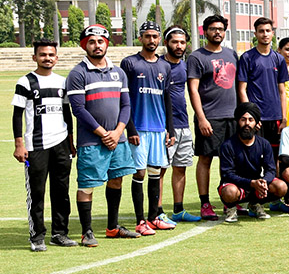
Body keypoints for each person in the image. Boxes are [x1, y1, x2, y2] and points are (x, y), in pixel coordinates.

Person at [66, 24, 138, 245]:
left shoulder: (119, 72)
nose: (97, 46)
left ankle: (112, 227)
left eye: (100, 41)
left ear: (106, 44)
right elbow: (78, 109)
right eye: (92, 42)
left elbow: (126, 105)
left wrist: (118, 132)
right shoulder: (78, 73)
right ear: (84, 45)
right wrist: (103, 133)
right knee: (86, 185)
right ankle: (86, 232)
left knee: (116, 179)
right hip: (91, 141)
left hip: (118, 140)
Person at [13, 39, 76, 251]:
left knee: (61, 191)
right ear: (35, 57)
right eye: (42, 55)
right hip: (36, 146)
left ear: (56, 58)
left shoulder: (62, 82)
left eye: (50, 55)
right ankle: (37, 236)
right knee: (37, 192)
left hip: (61, 144)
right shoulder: (25, 82)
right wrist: (19, 144)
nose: (47, 58)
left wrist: (70, 141)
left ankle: (59, 233)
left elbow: (67, 113)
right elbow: (17, 115)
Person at [120, 21, 177, 235]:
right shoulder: (130, 63)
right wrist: (130, 128)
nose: (151, 40)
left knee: (155, 172)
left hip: (158, 129)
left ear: (159, 39)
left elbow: (167, 98)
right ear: (140, 38)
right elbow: (123, 98)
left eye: (154, 36)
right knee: (140, 173)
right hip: (139, 128)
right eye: (147, 36)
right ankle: (140, 221)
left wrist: (170, 129)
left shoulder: (165, 66)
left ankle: (153, 218)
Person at [186, 14, 239, 221]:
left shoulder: (232, 54)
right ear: (205, 31)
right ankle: (205, 203)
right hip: (210, 118)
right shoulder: (197, 57)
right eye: (213, 29)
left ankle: (229, 200)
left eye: (221, 29)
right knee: (205, 159)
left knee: (230, 161)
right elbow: (193, 89)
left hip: (232, 117)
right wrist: (201, 118)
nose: (217, 32)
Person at [217, 101, 287, 222]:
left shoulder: (264, 144)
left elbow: (271, 169)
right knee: (230, 192)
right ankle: (231, 208)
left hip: (256, 185)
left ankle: (255, 204)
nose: (247, 123)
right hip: (236, 186)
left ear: (257, 123)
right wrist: (251, 183)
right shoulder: (227, 145)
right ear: (238, 121)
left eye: (251, 120)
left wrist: (264, 182)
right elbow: (227, 174)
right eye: (243, 119)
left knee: (281, 187)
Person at [162, 26, 201, 223]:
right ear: (166, 43)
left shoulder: (186, 66)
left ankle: (178, 209)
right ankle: (157, 211)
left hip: (183, 125)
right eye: (175, 42)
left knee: (180, 167)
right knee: (159, 170)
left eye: (182, 42)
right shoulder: (158, 65)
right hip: (162, 126)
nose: (179, 46)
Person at [236, 17, 289, 156]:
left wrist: (284, 118)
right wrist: (250, 116)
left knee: (275, 155)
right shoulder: (247, 58)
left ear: (272, 33)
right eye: (261, 31)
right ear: (255, 34)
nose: (265, 34)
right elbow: (242, 89)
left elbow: (282, 91)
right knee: (253, 155)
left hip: (275, 116)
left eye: (267, 31)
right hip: (256, 118)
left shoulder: (279, 59)